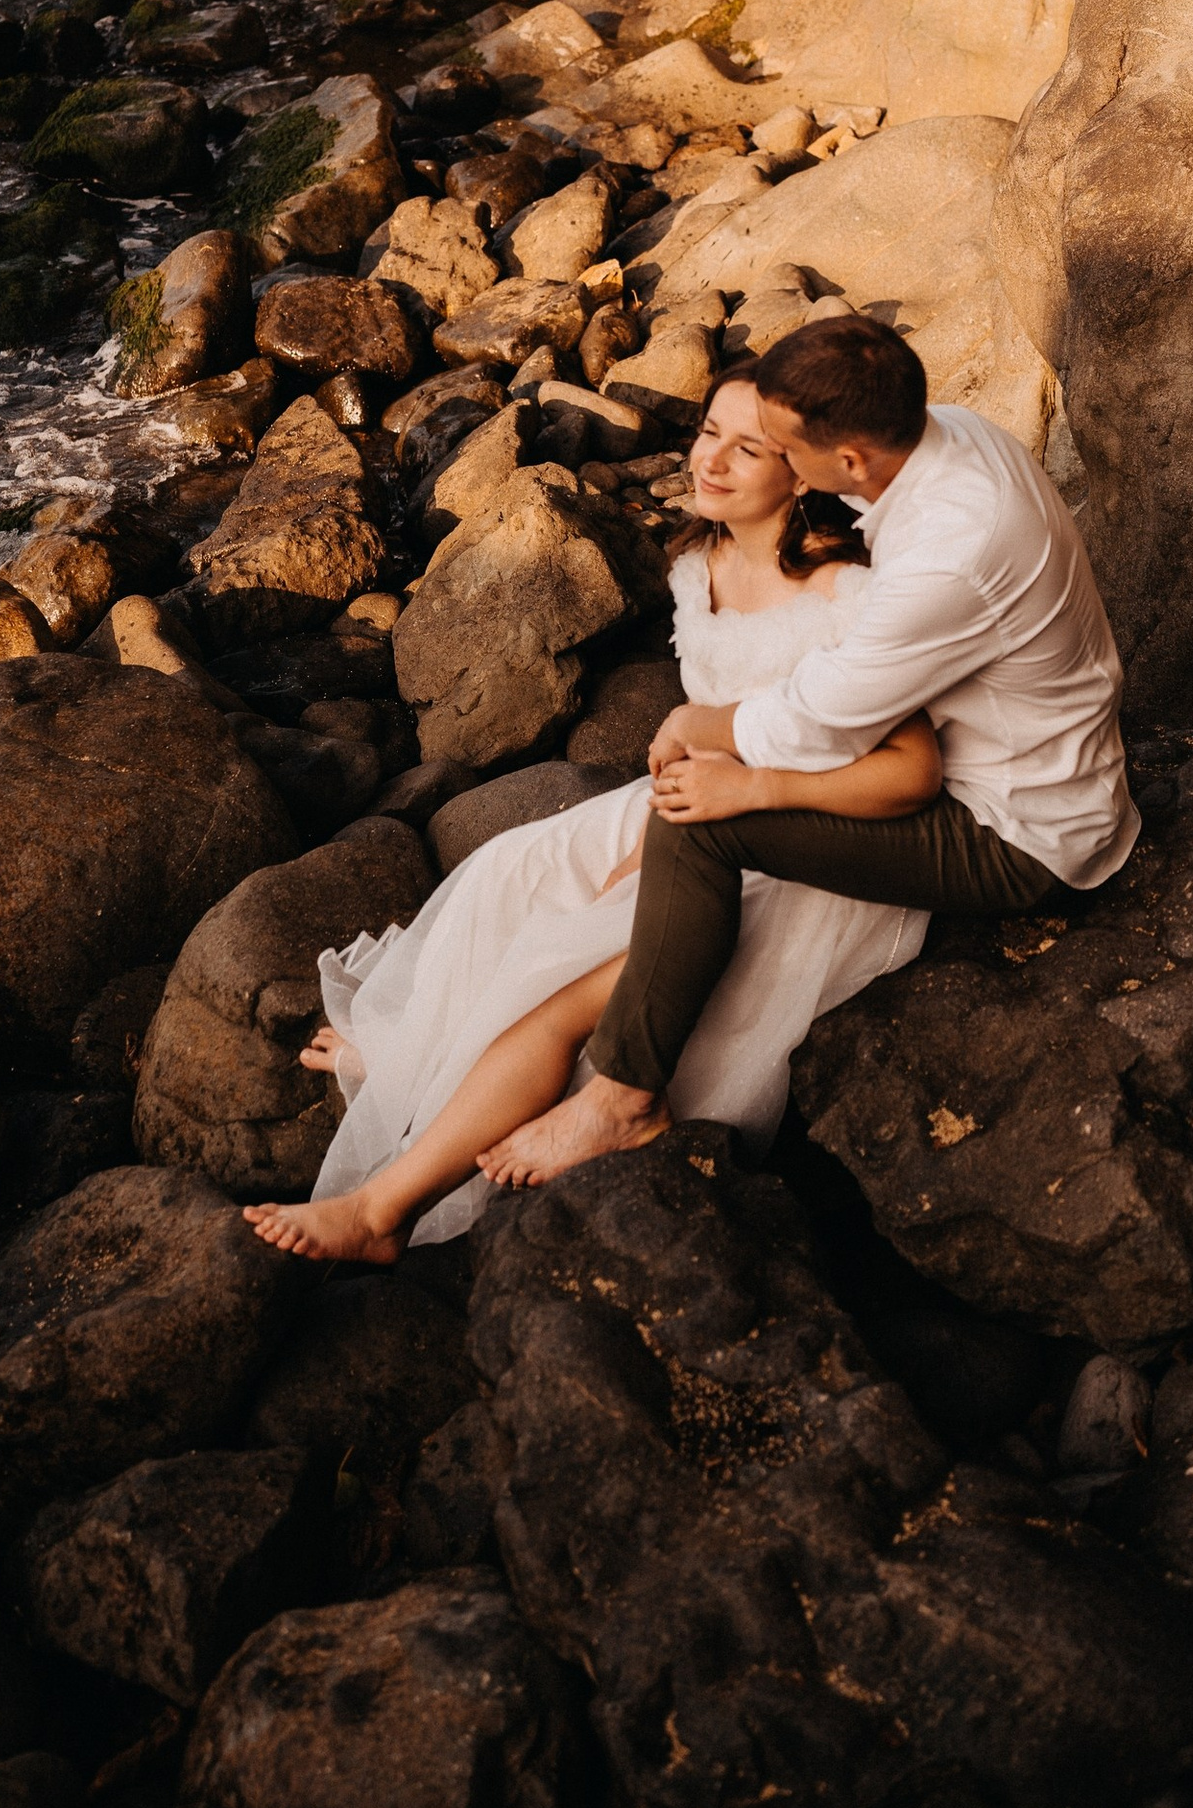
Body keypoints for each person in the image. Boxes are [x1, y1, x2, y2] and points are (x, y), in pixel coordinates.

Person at [242, 368, 938, 1263]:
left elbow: (912, 772)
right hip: (706, 805)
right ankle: (427, 1054)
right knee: (511, 871)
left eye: (748, 449)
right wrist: (663, 826)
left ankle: (382, 1210)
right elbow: (718, 723)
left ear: (802, 471)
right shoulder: (702, 561)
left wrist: (719, 816)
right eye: (709, 433)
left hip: (813, 837)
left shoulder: (844, 596)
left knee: (565, 974)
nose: (711, 462)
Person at [484, 313, 1138, 1187]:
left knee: (695, 822)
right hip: (1048, 765)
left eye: (787, 450)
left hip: (1012, 830)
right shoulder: (953, 434)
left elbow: (820, 720)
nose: (782, 465)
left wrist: (699, 729)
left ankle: (624, 1098)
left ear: (851, 461)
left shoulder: (952, 554)